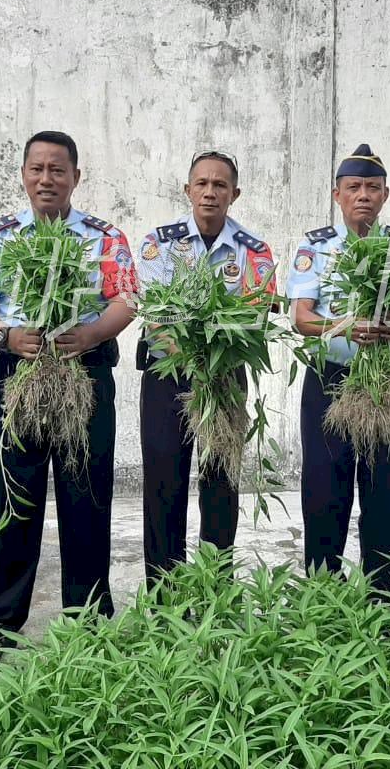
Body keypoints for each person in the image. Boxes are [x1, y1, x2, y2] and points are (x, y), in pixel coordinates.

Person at [0, 131, 137, 635]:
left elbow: (125, 299)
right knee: (11, 498)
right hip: (18, 374)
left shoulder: (104, 237)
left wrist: (92, 334)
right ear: (22, 175)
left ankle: (88, 623)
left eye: (57, 170)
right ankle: (1, 622)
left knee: (86, 495)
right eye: (36, 169)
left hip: (84, 374)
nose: (46, 179)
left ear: (75, 177)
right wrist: (7, 336)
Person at [287, 144, 390, 595]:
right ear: (337, 194)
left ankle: (383, 599)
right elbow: (302, 318)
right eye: (353, 187)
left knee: (383, 494)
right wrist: (347, 326)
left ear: (386, 194)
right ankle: (323, 597)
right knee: (325, 495)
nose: (363, 195)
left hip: (385, 381)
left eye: (372, 187)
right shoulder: (317, 247)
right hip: (330, 382)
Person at [135, 149, 276, 586]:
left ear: (235, 193)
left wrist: (211, 363)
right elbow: (155, 315)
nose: (210, 192)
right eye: (202, 184)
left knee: (220, 487)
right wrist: (192, 357)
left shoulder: (254, 251)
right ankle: (163, 596)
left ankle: (216, 590)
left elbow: (255, 316)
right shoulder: (160, 243)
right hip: (168, 378)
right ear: (188, 190)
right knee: (164, 487)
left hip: (223, 378)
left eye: (220, 185)